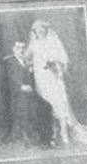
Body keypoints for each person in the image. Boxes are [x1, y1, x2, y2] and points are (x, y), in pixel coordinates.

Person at [27, 19, 80, 147]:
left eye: (42, 29)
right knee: (46, 105)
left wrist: (54, 64)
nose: (40, 32)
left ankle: (63, 133)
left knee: (59, 103)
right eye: (37, 30)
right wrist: (26, 58)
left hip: (53, 77)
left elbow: (63, 60)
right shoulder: (33, 43)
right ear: (34, 32)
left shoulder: (53, 41)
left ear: (45, 30)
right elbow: (27, 59)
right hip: (40, 78)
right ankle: (52, 134)